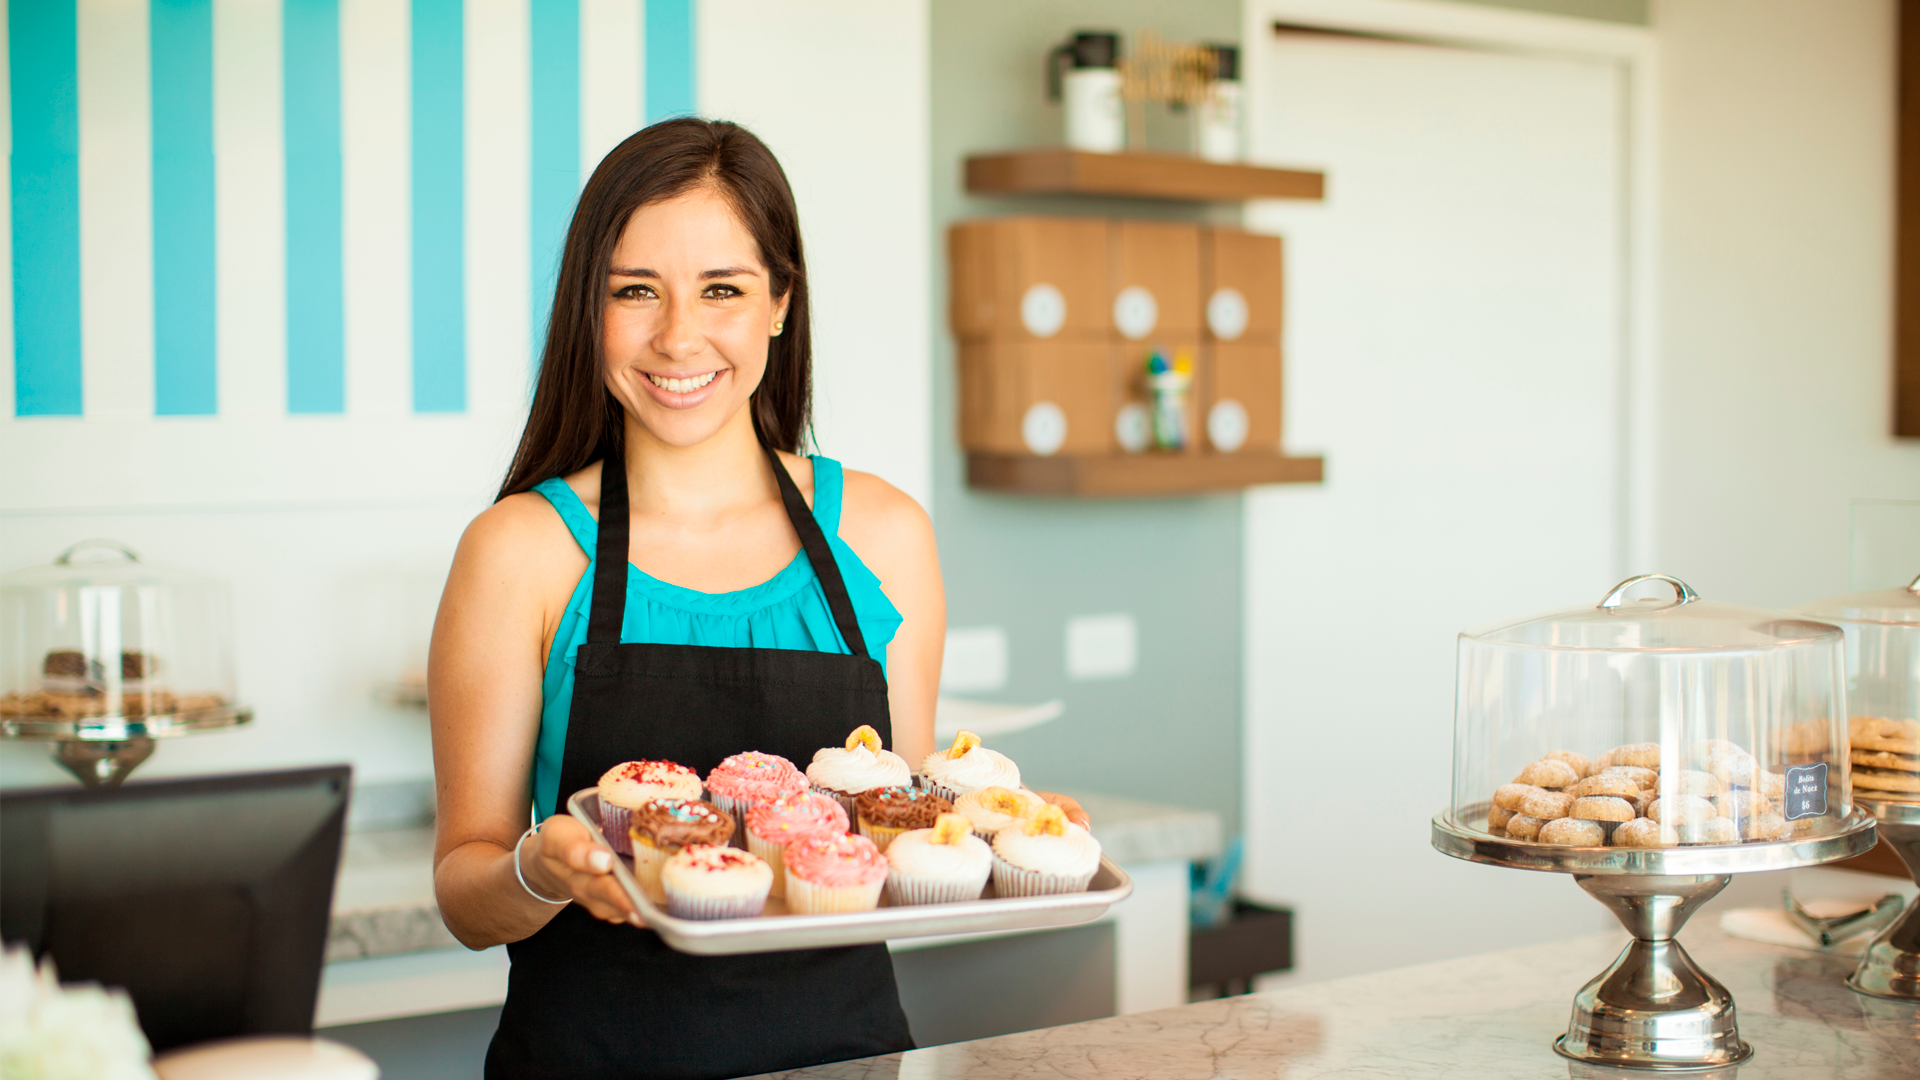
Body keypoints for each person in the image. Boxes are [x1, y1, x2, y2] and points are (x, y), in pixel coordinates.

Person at [427, 118, 1085, 1080]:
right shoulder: (517, 552)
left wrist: (1000, 826)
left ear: (780, 303)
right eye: (635, 291)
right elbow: (464, 894)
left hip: (847, 1062)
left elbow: (893, 823)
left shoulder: (884, 536)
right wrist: (539, 870)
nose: (677, 335)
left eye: (722, 290)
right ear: (588, 310)